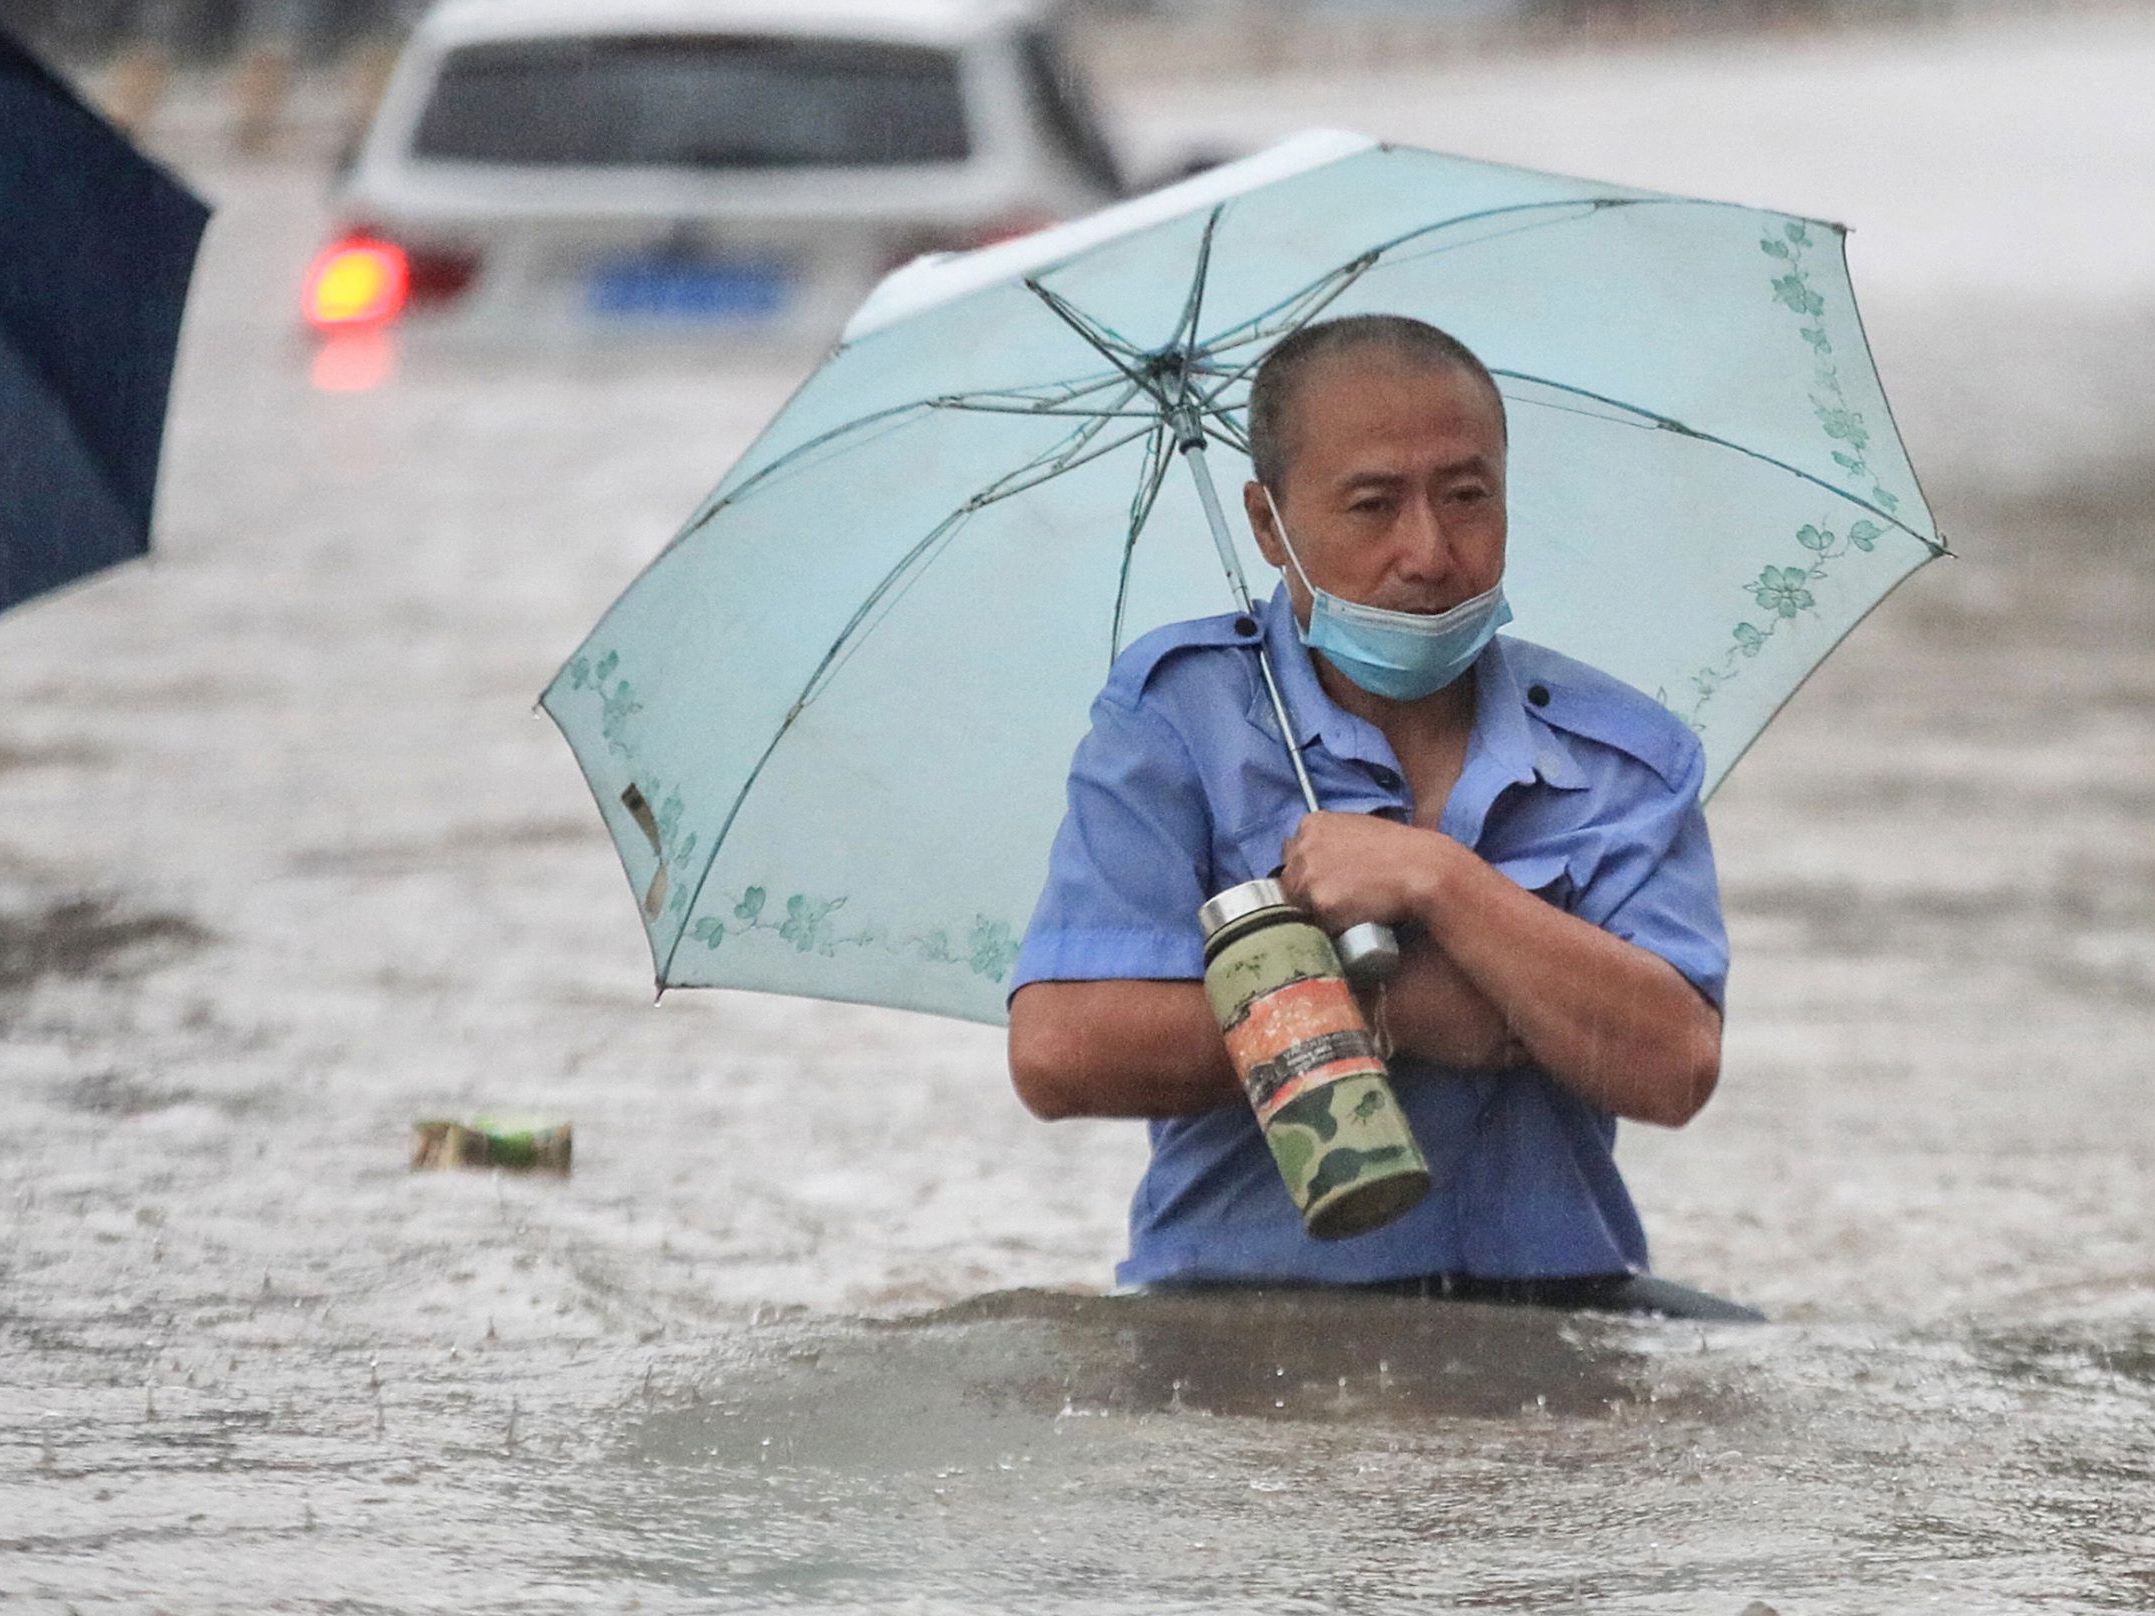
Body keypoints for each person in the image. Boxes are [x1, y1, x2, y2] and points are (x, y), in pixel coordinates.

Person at [1005, 313, 1759, 1322]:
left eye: (1466, 497)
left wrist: (1441, 882)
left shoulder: (1623, 751)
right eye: (1372, 505)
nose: (1429, 551)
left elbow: (1674, 1068)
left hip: (1555, 1312)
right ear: (1268, 526)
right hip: (1242, 1311)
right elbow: (1061, 1050)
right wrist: (1399, 1009)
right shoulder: (1177, 722)